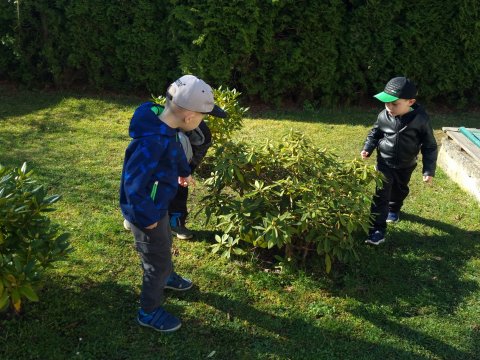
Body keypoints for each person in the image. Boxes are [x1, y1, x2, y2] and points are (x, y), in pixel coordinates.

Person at [119, 75, 227, 332]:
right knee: (155, 263)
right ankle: (149, 310)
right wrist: (147, 218)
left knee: (164, 243)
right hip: (147, 214)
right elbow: (133, 187)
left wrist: (182, 170)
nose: (202, 122)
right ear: (190, 118)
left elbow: (174, 149)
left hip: (159, 206)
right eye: (203, 117)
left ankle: (167, 277)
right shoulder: (150, 143)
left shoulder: (164, 126)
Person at [360, 76, 437, 245]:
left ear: (410, 102)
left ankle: (394, 208)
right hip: (384, 162)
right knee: (381, 194)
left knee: (399, 189)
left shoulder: (421, 120)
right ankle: (377, 230)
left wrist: (428, 170)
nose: (389, 108)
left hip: (406, 163)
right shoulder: (383, 115)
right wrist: (368, 147)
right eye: (386, 103)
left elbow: (430, 146)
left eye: (394, 104)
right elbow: (375, 133)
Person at [169, 120, 212, 239]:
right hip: (156, 158)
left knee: (179, 187)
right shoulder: (157, 124)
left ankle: (175, 221)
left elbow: (197, 155)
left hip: (187, 156)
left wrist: (185, 171)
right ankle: (136, 216)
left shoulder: (201, 135)